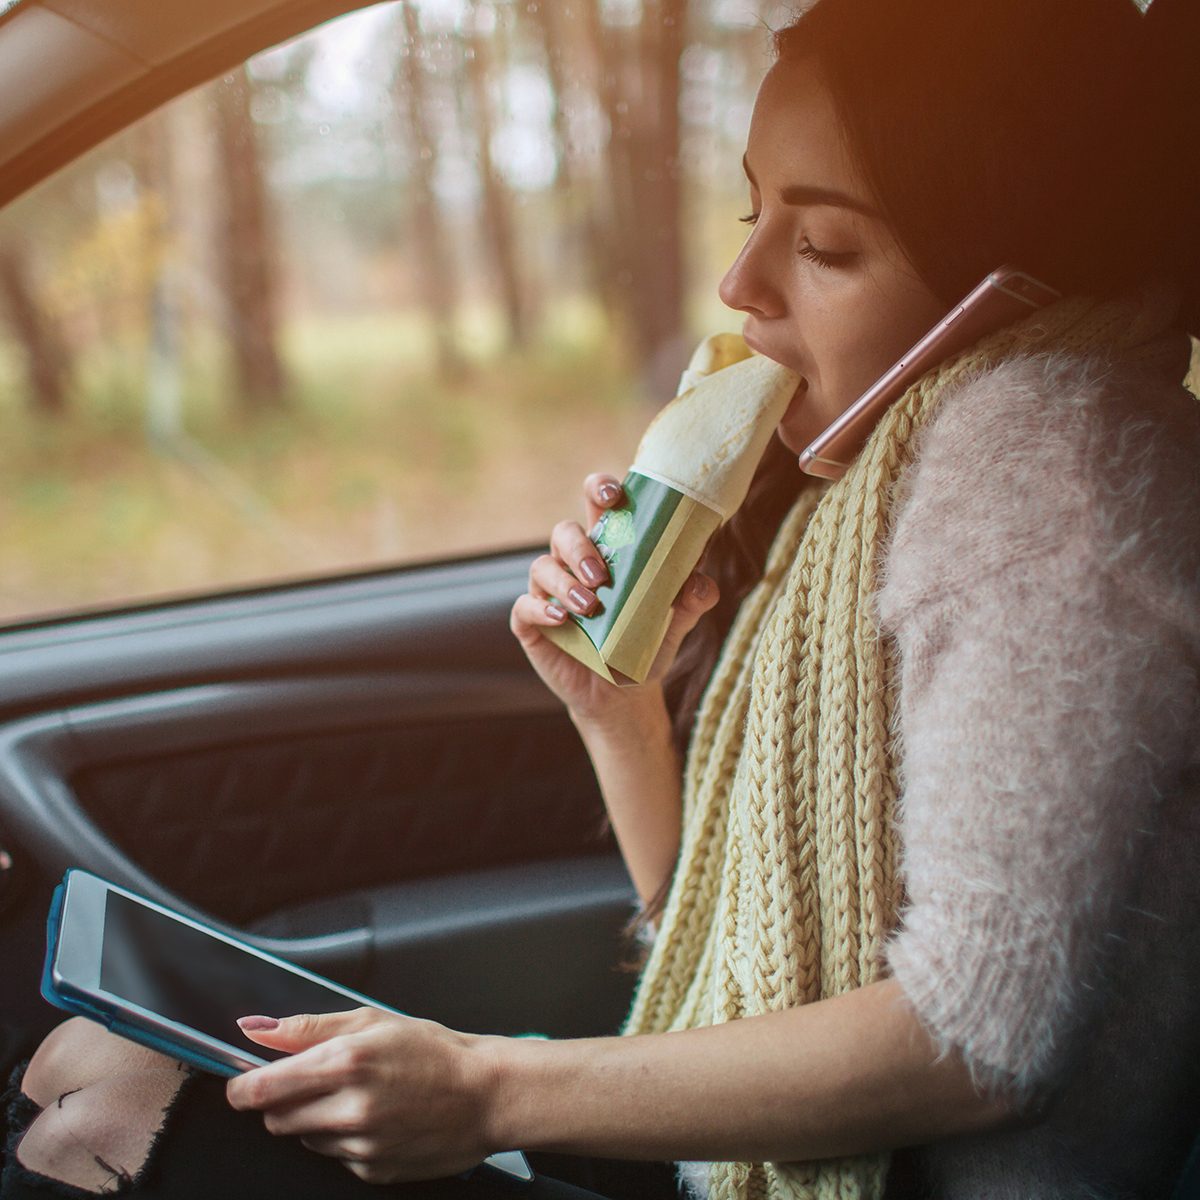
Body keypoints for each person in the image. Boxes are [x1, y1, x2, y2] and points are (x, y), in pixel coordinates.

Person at [4, 0, 1199, 1196]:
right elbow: (741, 947)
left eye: (826, 246)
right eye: (754, 212)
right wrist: (614, 715)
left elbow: (978, 1038)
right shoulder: (879, 471)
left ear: (1010, 278)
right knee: (86, 1062)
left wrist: (488, 1091)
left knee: (95, 1113)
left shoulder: (1056, 462)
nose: (740, 282)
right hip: (744, 1158)